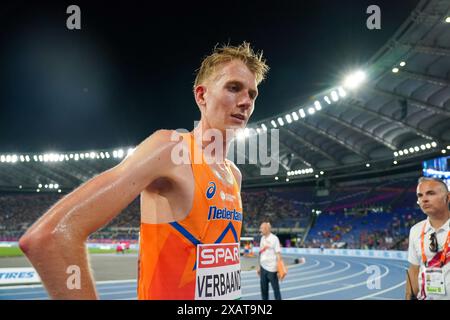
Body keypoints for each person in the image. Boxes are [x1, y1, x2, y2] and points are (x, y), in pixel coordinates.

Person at [18, 42, 269, 299]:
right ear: (201, 96)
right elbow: (50, 237)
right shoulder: (171, 149)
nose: (245, 102)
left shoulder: (233, 174)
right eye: (234, 88)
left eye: (252, 94)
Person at [405, 177, 450, 300]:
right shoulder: (415, 231)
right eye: (420, 195)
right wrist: (408, 296)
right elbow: (414, 270)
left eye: (431, 193)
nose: (424, 199)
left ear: (448, 197)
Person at [257, 222, 282, 300]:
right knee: (264, 290)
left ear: (266, 229)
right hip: (263, 268)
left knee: (276, 290)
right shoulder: (262, 238)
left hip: (272, 269)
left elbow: (278, 254)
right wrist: (258, 266)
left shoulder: (274, 238)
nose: (259, 230)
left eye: (261, 228)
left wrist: (279, 269)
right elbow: (260, 253)